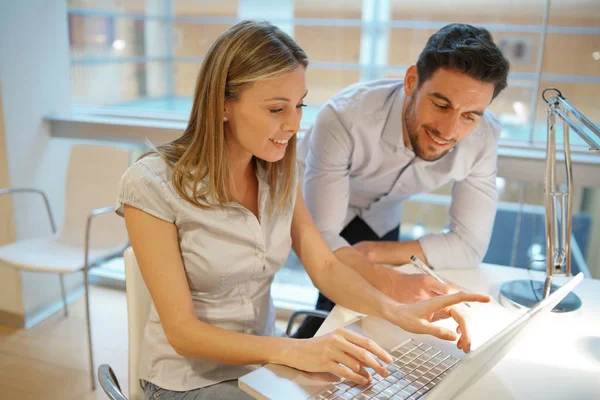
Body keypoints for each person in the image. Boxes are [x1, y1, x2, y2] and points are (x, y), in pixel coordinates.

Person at [116, 20, 492, 400]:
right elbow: (182, 332)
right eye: (277, 108)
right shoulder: (151, 184)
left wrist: (396, 311)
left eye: (299, 106)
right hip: (188, 383)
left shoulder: (277, 173)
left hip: (264, 369)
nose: (294, 125)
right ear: (222, 104)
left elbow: (326, 266)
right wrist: (297, 351)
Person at [294, 23, 510, 339]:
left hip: (381, 215)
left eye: (469, 115)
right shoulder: (345, 117)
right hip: (311, 203)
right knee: (340, 305)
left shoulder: (484, 136)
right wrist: (388, 278)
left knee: (368, 317)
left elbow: (469, 245)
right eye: (441, 104)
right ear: (411, 81)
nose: (449, 131)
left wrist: (370, 254)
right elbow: (322, 233)